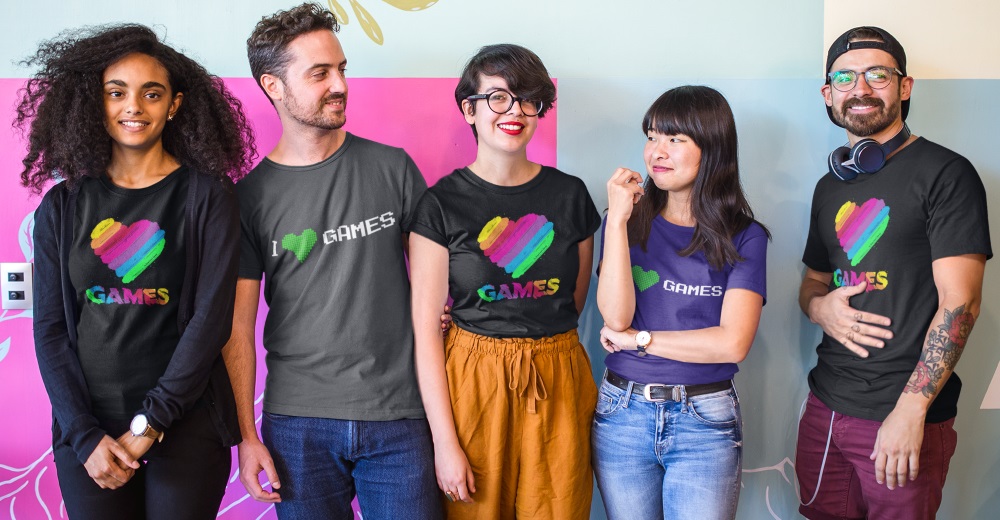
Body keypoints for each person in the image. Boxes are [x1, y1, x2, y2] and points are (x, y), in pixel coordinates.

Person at [20, 23, 253, 520]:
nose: (134, 107)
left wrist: (152, 422)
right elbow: (51, 330)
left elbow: (210, 321)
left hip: (186, 425)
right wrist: (82, 433)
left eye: (151, 93)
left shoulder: (208, 196)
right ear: (95, 102)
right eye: (116, 92)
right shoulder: (61, 206)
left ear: (174, 105)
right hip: (88, 431)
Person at [230, 3, 440, 518]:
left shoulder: (393, 168)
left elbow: (438, 282)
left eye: (341, 69)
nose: (340, 85)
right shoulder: (248, 199)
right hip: (297, 424)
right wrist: (246, 436)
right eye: (319, 73)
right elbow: (237, 329)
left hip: (400, 416)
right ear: (274, 86)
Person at [795, 26, 990, 519]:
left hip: (901, 415)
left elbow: (961, 302)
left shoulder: (947, 173)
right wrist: (819, 308)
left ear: (904, 87)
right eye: (844, 78)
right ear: (828, 94)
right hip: (825, 406)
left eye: (877, 75)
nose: (860, 88)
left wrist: (910, 411)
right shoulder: (828, 187)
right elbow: (813, 283)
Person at [408, 44, 601, 519]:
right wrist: (445, 443)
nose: (514, 111)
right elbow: (426, 332)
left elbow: (573, 303)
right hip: (473, 383)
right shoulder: (440, 204)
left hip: (558, 375)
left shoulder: (571, 195)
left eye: (528, 99)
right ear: (468, 110)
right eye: (497, 97)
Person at [593, 85, 769, 520]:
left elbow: (732, 344)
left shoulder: (745, 236)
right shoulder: (625, 222)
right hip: (622, 412)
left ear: (712, 148)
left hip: (703, 418)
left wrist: (640, 340)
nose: (657, 151)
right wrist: (616, 222)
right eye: (652, 136)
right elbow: (615, 317)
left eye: (675, 139)